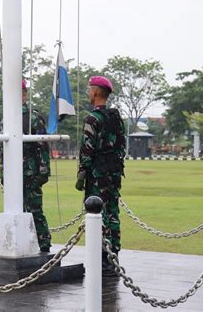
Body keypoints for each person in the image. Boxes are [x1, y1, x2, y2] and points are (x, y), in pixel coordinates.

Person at [75, 76, 126, 277]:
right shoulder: (116, 118)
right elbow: (121, 146)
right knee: (113, 213)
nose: (88, 92)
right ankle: (114, 257)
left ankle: (103, 260)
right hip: (113, 173)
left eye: (90, 89)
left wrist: (81, 176)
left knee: (98, 214)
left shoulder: (93, 119)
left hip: (97, 174)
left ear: (96, 92)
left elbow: (86, 150)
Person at [20, 80, 52, 252]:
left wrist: (44, 171)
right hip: (12, 172)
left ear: (24, 94)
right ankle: (23, 242)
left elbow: (43, 145)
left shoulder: (33, 117)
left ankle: (43, 242)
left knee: (34, 208)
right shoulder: (7, 117)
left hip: (30, 172)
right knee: (16, 209)